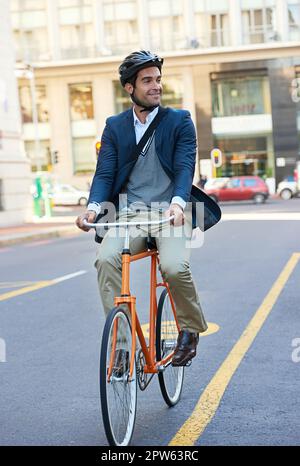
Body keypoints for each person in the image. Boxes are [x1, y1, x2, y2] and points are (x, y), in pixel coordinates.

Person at [76, 50, 209, 366]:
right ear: (129, 88)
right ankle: (122, 346)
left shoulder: (179, 121)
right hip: (130, 215)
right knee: (106, 260)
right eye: (147, 80)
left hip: (170, 213)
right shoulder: (115, 126)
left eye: (158, 80)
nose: (156, 86)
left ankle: (189, 330)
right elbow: (105, 173)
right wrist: (93, 210)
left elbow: (183, 167)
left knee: (175, 267)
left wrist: (178, 204)